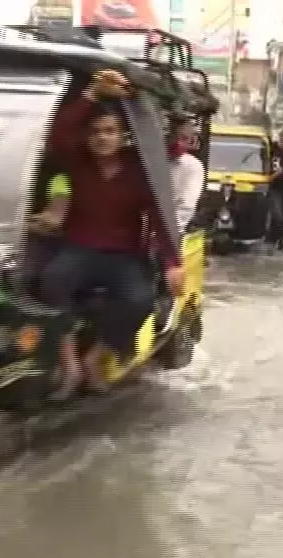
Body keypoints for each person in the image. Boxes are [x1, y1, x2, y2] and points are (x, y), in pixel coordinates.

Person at [39, 70, 184, 399]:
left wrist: (172, 263)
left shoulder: (139, 170)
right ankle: (70, 365)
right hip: (79, 249)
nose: (102, 138)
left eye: (110, 131)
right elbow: (59, 135)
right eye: (96, 132)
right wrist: (91, 94)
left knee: (140, 299)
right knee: (51, 281)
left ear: (122, 136)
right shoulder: (77, 162)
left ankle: (95, 358)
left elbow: (160, 219)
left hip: (122, 256)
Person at [168, 114, 205, 231]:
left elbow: (186, 207)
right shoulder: (148, 160)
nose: (178, 142)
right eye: (176, 137)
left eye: (184, 138)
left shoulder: (192, 166)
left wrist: (172, 232)